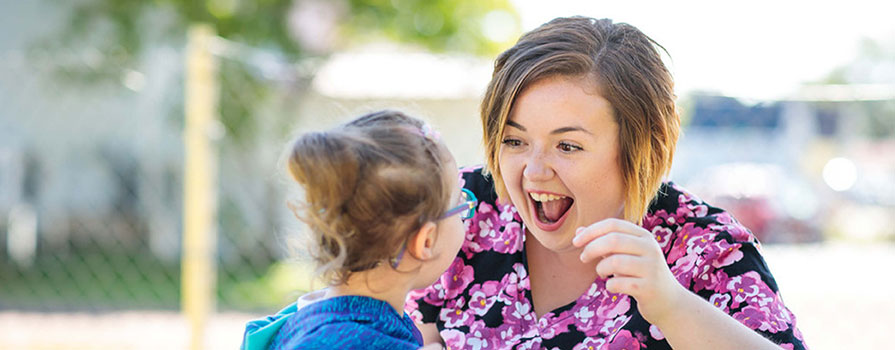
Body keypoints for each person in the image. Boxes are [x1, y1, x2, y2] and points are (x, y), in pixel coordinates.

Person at [406, 17, 807, 349]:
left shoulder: (705, 250)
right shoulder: (461, 209)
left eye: (567, 145)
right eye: (515, 141)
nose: (533, 171)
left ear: (640, 147)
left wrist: (671, 305)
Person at [241, 110, 476, 350]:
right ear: (426, 240)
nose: (466, 213)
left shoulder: (315, 319)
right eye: (460, 203)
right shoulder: (347, 342)